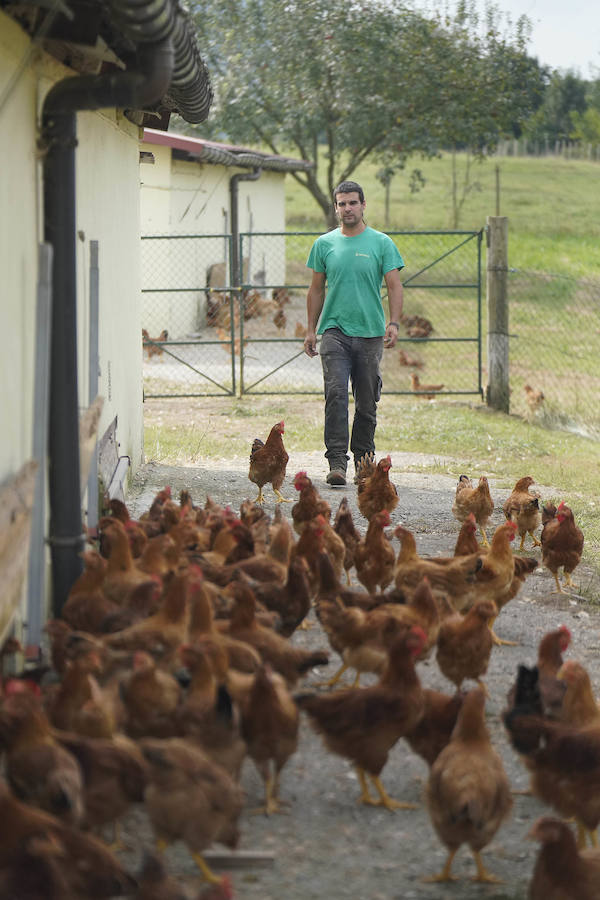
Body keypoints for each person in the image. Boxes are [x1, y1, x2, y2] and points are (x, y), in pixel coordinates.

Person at [303, 181, 405, 487]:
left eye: (352, 203)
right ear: (335, 208)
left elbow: (395, 285)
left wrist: (394, 322)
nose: (347, 208)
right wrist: (310, 329)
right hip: (334, 331)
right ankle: (337, 462)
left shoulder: (381, 243)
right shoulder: (324, 244)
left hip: (371, 333)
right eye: (341, 204)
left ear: (363, 206)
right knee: (335, 394)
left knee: (365, 401)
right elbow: (316, 289)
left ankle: (364, 463)